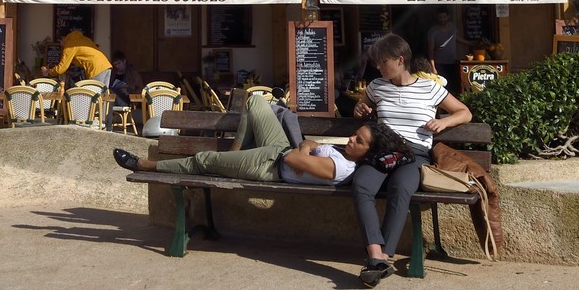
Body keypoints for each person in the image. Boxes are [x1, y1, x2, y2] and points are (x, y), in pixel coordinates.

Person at [351, 33, 472, 287]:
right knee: (361, 183)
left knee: (401, 187)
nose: (378, 67)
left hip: (414, 153)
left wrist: (443, 121)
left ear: (400, 60)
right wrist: (360, 108)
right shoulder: (376, 86)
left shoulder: (430, 88)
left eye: (383, 62)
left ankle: (383, 257)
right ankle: (376, 256)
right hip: (382, 151)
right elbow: (361, 106)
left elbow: (464, 112)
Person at [113, 90, 405, 186]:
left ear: (368, 154)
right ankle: (234, 155)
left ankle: (146, 165)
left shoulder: (341, 167)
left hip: (270, 165)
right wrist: (306, 149)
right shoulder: (341, 156)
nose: (352, 140)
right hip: (279, 152)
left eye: (359, 142)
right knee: (254, 101)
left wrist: (303, 153)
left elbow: (295, 157)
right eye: (354, 135)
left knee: (203, 159)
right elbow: (305, 147)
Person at [46, 29, 111, 85]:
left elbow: (62, 68)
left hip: (96, 69)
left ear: (63, 38)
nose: (61, 44)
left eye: (60, 42)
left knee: (95, 95)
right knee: (103, 95)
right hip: (106, 65)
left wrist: (48, 71)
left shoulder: (69, 45)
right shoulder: (83, 39)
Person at [426, 9, 462, 95]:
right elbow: (430, 49)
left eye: (444, 17)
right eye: (440, 17)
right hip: (439, 63)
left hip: (452, 62)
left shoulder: (453, 27)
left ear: (448, 17)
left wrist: (471, 43)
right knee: (442, 86)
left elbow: (456, 38)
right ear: (437, 18)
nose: (442, 19)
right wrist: (433, 66)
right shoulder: (433, 31)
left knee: (453, 86)